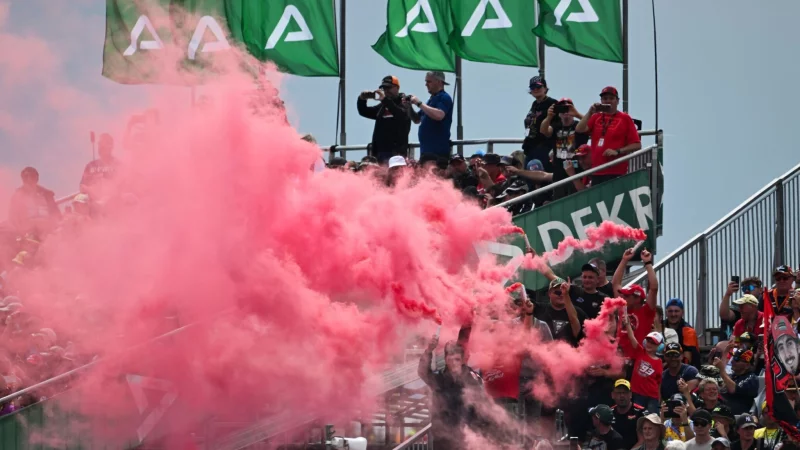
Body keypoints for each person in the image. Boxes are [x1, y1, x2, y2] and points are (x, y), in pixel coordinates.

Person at [417, 334, 483, 450]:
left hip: (466, 438)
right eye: (449, 359)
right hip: (442, 439)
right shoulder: (440, 380)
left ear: (462, 360)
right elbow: (423, 372)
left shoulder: (472, 379)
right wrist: (429, 350)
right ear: (445, 360)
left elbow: (481, 408)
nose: (453, 362)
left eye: (456, 359)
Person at [575, 86, 642, 186]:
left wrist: (617, 151)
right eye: (605, 99)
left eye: (611, 98)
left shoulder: (625, 118)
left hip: (616, 171)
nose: (608, 101)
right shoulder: (596, 116)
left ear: (617, 101)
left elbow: (637, 145)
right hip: (597, 170)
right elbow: (579, 129)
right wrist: (590, 112)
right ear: (601, 100)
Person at [613, 248, 659, 361]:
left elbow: (653, 288)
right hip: (620, 361)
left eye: (627, 296)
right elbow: (615, 284)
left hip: (638, 360)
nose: (623, 298)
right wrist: (624, 260)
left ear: (638, 299)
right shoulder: (623, 308)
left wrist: (647, 263)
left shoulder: (646, 312)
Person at [540, 97, 588, 200]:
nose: (565, 111)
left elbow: (590, 125)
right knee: (559, 202)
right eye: (562, 108)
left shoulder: (578, 125)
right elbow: (543, 130)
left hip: (577, 171)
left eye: (568, 108)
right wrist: (549, 117)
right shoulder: (555, 126)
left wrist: (576, 114)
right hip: (559, 173)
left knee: (578, 200)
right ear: (558, 112)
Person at [357, 75, 412, 163]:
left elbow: (401, 116)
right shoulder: (383, 105)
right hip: (379, 153)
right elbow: (364, 112)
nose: (386, 91)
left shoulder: (405, 102)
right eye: (384, 88)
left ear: (397, 88)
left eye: (388, 88)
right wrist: (362, 99)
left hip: (396, 154)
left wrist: (384, 100)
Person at [408, 71, 453, 158]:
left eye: (429, 81)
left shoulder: (444, 97)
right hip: (426, 152)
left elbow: (439, 115)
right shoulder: (430, 100)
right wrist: (408, 107)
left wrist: (419, 103)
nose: (426, 84)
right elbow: (416, 119)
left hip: (437, 153)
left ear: (439, 82)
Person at [624, 315, 663, 413]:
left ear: (659, 346)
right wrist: (628, 324)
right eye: (648, 341)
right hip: (637, 394)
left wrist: (659, 399)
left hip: (652, 397)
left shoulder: (659, 362)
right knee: (638, 419)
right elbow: (632, 338)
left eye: (653, 343)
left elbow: (658, 383)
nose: (649, 344)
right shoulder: (640, 352)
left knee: (653, 420)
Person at [7, 167, 61, 236]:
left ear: (37, 178)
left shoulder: (47, 195)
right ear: (23, 179)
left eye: (32, 176)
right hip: (26, 235)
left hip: (48, 233)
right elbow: (13, 219)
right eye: (26, 177)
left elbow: (56, 214)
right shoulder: (17, 197)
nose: (29, 179)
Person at [522, 76, 558, 171]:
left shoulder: (552, 103)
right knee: (529, 178)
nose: (535, 89)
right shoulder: (535, 104)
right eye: (533, 87)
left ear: (545, 88)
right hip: (530, 148)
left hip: (544, 148)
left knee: (542, 178)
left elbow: (555, 127)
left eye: (538, 87)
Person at [715, 348, 758, 415]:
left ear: (747, 365)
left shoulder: (751, 378)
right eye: (733, 358)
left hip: (739, 416)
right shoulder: (734, 375)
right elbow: (721, 388)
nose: (732, 361)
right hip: (721, 411)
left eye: (737, 359)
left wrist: (722, 371)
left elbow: (733, 389)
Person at [80, 133, 121, 199]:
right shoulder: (90, 166)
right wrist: (90, 190)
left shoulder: (118, 165)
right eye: (99, 144)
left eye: (103, 144)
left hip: (114, 205)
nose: (100, 146)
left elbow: (124, 186)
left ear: (111, 146)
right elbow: (82, 186)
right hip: (94, 206)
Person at [612, 379, 649, 450]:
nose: (622, 395)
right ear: (613, 395)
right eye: (619, 392)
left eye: (625, 392)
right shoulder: (609, 413)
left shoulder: (641, 412)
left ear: (630, 394)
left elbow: (644, 440)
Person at [664, 298, 701, 367]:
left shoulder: (688, 331)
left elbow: (687, 359)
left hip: (684, 368)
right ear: (666, 313)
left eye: (676, 311)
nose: (673, 314)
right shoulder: (660, 327)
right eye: (670, 311)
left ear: (682, 312)